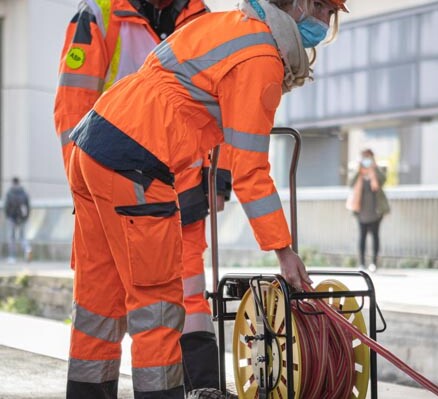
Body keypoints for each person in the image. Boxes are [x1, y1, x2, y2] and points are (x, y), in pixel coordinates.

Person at [65, 0, 348, 397]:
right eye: (323, 9)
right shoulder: (262, 58)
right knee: (157, 307)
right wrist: (284, 251)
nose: (326, 22)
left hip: (93, 143)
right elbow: (251, 170)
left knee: (99, 302)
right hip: (138, 160)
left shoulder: (228, 25)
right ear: (298, 5)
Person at [53, 0, 233, 395]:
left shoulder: (201, 17)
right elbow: (73, 104)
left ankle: (202, 385)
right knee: (109, 298)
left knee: (184, 293)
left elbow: (228, 106)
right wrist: (85, 189)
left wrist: (219, 176)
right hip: (121, 171)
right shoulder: (100, 13)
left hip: (182, 178)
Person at [347, 149, 390, 272]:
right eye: (364, 157)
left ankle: (374, 263)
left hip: (376, 211)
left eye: (368, 157)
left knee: (375, 236)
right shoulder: (357, 171)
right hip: (361, 211)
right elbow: (350, 183)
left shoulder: (377, 170)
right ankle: (361, 263)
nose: (366, 160)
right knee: (362, 237)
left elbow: (383, 180)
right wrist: (359, 170)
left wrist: (374, 168)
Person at [3, 177, 32, 263]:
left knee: (12, 237)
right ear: (19, 183)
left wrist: (8, 216)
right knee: (22, 237)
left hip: (12, 218)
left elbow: (6, 207)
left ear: (12, 183)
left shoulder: (9, 193)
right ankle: (27, 249)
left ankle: (12, 257)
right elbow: (28, 206)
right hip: (22, 218)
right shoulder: (24, 193)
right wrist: (26, 217)